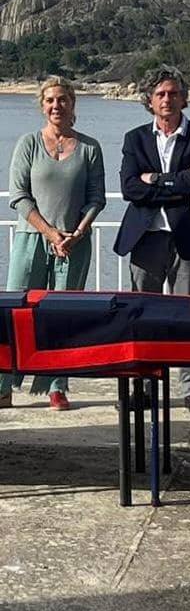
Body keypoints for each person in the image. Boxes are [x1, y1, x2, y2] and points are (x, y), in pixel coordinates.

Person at [114, 66, 190, 416]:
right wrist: (175, 182)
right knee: (143, 312)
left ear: (184, 98)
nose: (167, 99)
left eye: (173, 93)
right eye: (160, 94)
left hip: (188, 236)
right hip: (146, 238)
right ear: (149, 100)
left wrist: (155, 180)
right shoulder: (135, 138)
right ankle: (144, 384)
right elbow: (130, 188)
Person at [0, 77, 105, 411]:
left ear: (73, 103)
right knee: (15, 313)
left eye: (62, 99)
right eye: (50, 100)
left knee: (62, 316)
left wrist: (77, 231)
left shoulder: (90, 148)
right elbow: (18, 196)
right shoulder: (28, 144)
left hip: (74, 244)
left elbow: (96, 198)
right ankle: (4, 385)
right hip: (33, 239)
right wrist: (49, 232)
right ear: (42, 105)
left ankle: (57, 386)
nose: (56, 105)